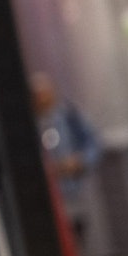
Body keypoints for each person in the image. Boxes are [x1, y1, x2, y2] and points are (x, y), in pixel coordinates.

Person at [32, 72, 100, 242]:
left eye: (44, 94)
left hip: (73, 196)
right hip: (47, 203)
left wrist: (79, 161)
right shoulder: (31, 125)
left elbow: (94, 144)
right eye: (36, 96)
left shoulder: (69, 115)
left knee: (76, 239)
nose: (41, 100)